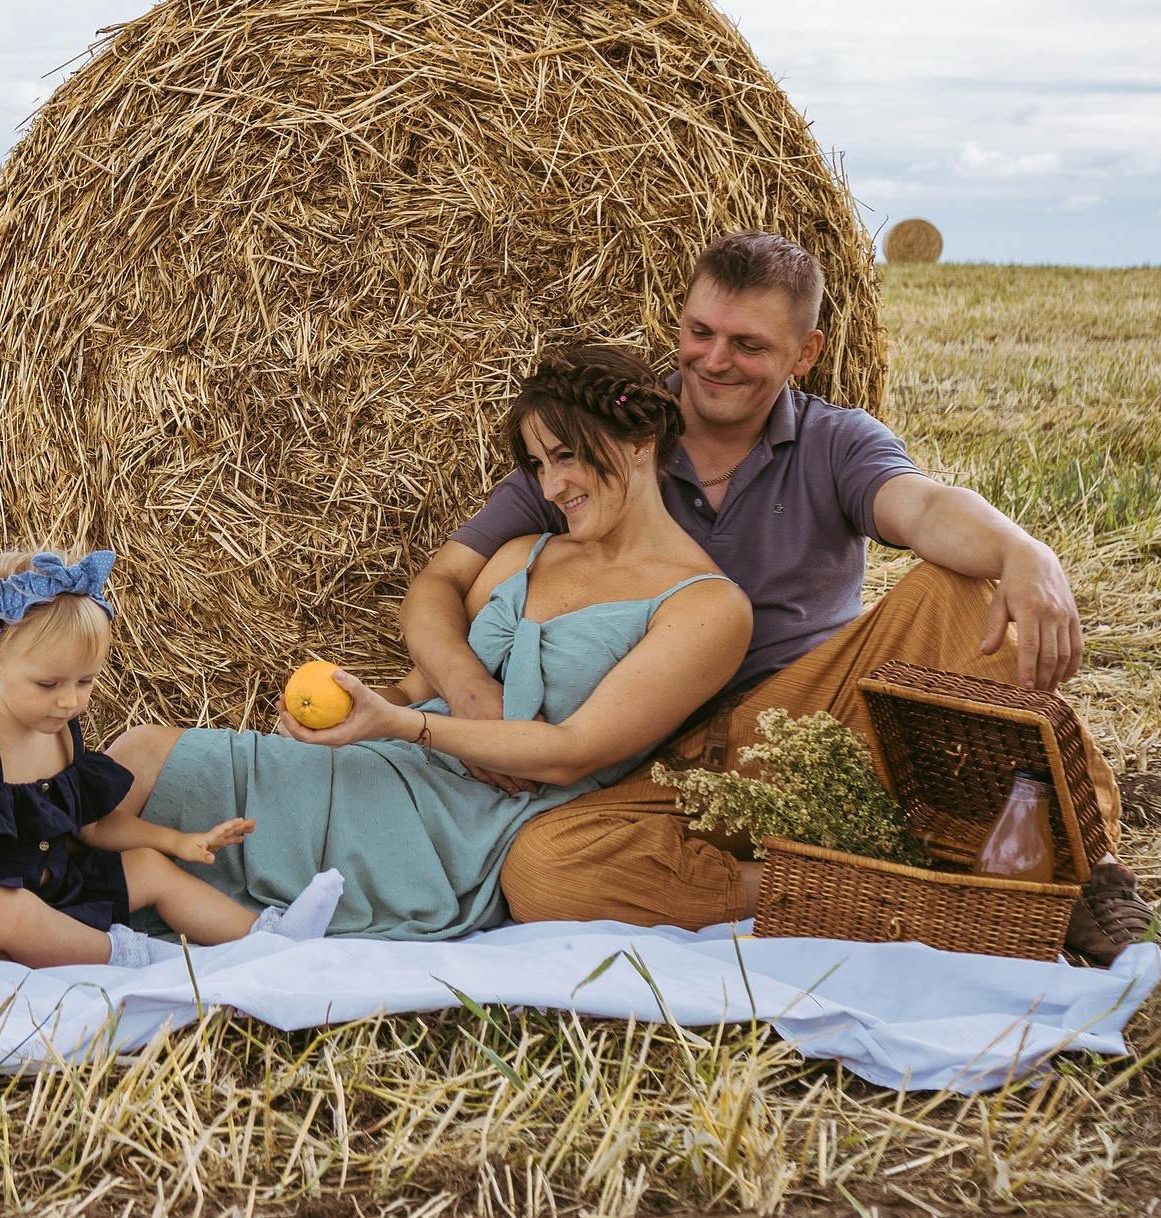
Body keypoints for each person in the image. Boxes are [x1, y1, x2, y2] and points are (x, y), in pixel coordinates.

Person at [398, 231, 1137, 949]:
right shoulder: (605, 435)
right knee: (543, 871)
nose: (713, 361)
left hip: (811, 725)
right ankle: (869, 886)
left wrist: (1023, 550)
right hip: (648, 758)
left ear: (806, 351)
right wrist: (466, 688)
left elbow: (925, 507)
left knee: (959, 590)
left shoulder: (835, 440)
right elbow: (443, 579)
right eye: (699, 331)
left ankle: (1088, 865)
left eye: (748, 344)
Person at [89, 345, 754, 939]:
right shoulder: (525, 553)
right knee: (141, 754)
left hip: (475, 825)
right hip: (399, 757)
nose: (552, 486)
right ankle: (8, 893)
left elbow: (570, 754)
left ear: (640, 440)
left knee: (144, 796)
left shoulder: (706, 606)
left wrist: (402, 725)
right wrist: (357, 708)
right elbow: (416, 688)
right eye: (539, 463)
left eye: (568, 455)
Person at [0, 547, 343, 970]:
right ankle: (136, 956)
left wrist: (178, 841)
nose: (71, 701)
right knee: (6, 910)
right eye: (49, 685)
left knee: (147, 866)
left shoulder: (60, 730)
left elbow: (93, 827)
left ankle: (270, 937)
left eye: (85, 682)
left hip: (57, 891)